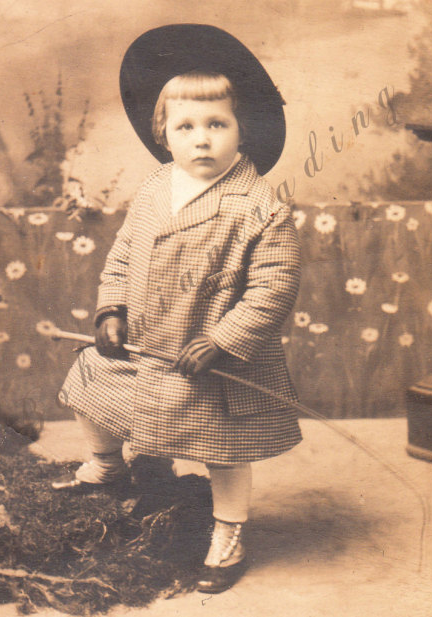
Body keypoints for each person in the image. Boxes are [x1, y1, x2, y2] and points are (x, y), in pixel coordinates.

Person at [55, 24, 302, 594]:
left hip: (213, 355)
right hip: (148, 342)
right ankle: (107, 464)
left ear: (244, 131)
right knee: (89, 379)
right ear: (163, 134)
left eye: (218, 125)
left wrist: (224, 338)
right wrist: (110, 310)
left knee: (223, 444)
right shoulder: (153, 189)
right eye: (186, 126)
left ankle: (229, 530)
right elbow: (120, 255)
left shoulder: (259, 206)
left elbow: (274, 287)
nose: (202, 140)